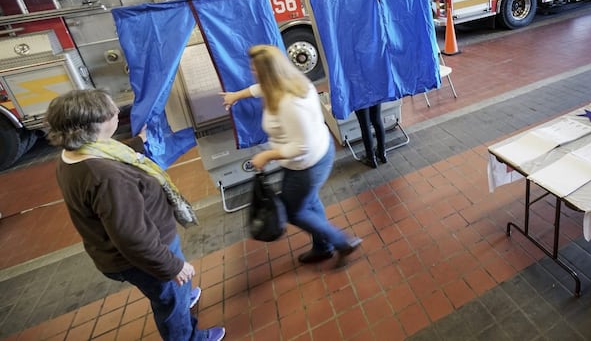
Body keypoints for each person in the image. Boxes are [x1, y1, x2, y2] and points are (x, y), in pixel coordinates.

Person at [46, 89, 225, 341]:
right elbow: (133, 237)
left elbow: (113, 155)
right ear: (91, 125)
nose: (118, 113)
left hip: (122, 253)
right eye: (110, 112)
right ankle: (188, 334)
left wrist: (137, 143)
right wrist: (172, 266)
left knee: (173, 292)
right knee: (169, 304)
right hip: (144, 256)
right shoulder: (107, 177)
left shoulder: (74, 155)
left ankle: (181, 295)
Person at [221, 45, 362, 265]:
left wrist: (267, 156)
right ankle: (322, 247)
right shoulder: (292, 82)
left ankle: (342, 242)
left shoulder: (289, 103)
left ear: (269, 72)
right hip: (318, 153)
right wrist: (236, 96)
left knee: (294, 211)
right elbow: (261, 88)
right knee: (310, 202)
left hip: (306, 163)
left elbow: (300, 147)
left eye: (255, 70)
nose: (253, 73)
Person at [355, 103, 387, 168]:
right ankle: (382, 153)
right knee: (377, 119)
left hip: (359, 96)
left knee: (365, 125)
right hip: (374, 93)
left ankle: (371, 158)